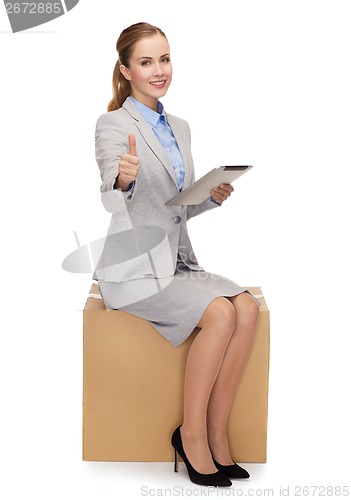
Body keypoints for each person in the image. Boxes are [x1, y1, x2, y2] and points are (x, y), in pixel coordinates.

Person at [94, 22, 259, 488]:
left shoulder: (179, 126)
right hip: (134, 270)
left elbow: (174, 207)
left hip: (178, 259)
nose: (158, 70)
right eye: (146, 62)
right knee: (219, 316)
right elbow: (113, 188)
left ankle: (215, 432)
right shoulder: (113, 125)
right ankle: (190, 437)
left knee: (245, 309)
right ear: (126, 70)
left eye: (164, 59)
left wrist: (211, 196)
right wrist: (123, 177)